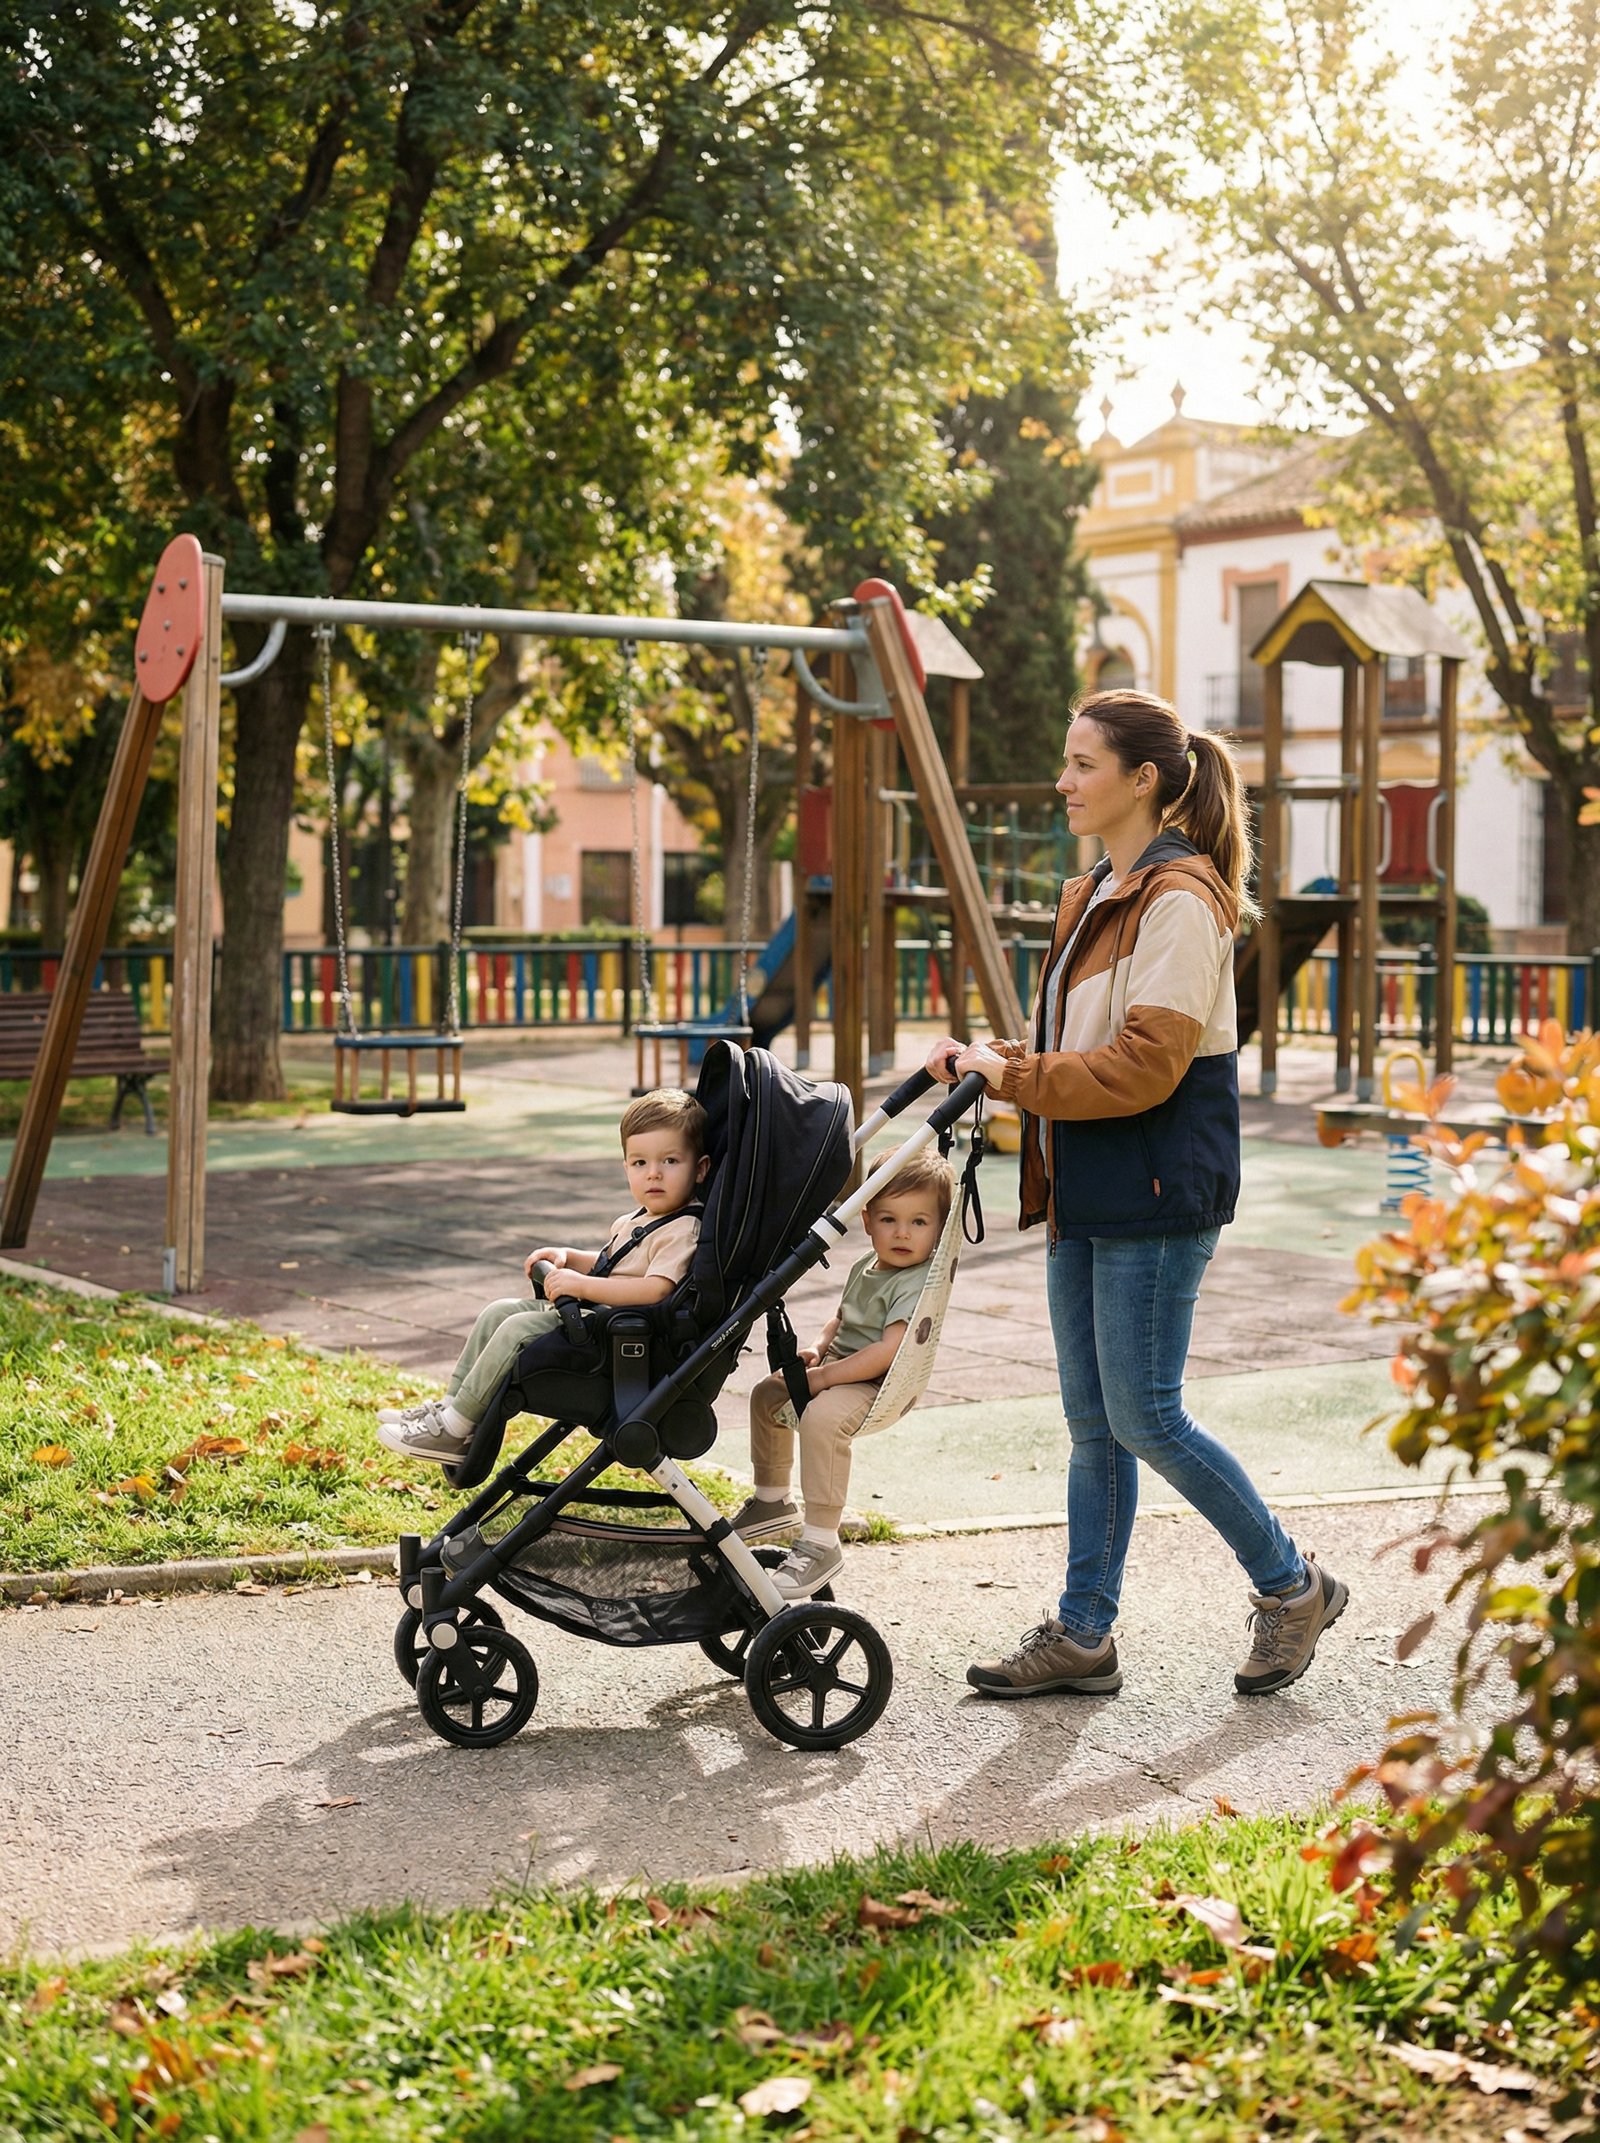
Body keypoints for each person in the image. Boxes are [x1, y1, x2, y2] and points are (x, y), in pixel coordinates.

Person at [927, 688, 1347, 1699]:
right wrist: (1001, 1060)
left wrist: (1012, 1078)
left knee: (1146, 1416)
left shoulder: (1179, 898)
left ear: (1142, 779)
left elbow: (1145, 1066)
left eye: (1081, 764)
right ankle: (1082, 1634)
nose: (1062, 782)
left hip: (1157, 1188)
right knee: (1092, 1422)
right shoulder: (1097, 893)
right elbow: (1088, 1052)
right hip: (1087, 1182)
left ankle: (1292, 1586)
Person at [377, 1089, 708, 1466]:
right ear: (625, 1167)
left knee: (517, 1329)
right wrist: (569, 1257)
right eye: (639, 1163)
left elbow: (655, 1290)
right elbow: (608, 1263)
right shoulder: (638, 1219)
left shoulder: (682, 1229)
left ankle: (455, 1427)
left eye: (670, 1160)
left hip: (617, 1335)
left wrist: (581, 1285)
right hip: (596, 1317)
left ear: (699, 1168)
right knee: (497, 1313)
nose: (653, 1173)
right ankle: (453, 1411)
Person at [731, 1147, 954, 1600]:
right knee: (766, 1395)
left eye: (919, 1222)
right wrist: (816, 1348)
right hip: (837, 1368)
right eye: (889, 1219)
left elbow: (888, 1352)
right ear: (867, 1220)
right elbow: (841, 1318)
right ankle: (772, 1498)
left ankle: (821, 1540)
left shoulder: (917, 1281)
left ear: (940, 1229)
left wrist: (823, 1380)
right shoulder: (865, 1266)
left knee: (822, 1420)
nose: (902, 1234)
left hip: (874, 1384)